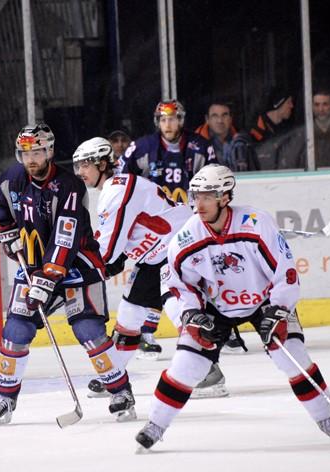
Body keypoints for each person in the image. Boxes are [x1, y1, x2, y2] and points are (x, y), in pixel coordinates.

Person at [135, 164, 330, 449]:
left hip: (264, 302)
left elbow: (285, 272)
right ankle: (156, 424)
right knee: (188, 367)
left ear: (225, 197)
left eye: (207, 196)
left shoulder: (257, 224)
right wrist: (188, 315)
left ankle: (326, 416)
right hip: (215, 308)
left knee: (291, 356)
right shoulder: (187, 237)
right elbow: (173, 283)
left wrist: (279, 309)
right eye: (195, 195)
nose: (198, 203)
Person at [0, 124, 127, 425]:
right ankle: (5, 399)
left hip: (78, 267)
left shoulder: (68, 186)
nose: (31, 159)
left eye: (36, 152)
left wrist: (47, 280)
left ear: (49, 151)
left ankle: (120, 392)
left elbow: (66, 237)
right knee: (16, 331)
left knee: (88, 330)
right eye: (25, 153)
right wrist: (7, 232)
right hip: (34, 267)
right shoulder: (12, 178)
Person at [73, 137, 229, 402]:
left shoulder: (116, 190)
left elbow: (108, 249)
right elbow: (118, 243)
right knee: (130, 311)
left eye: (85, 165)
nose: (80, 172)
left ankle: (207, 370)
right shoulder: (116, 188)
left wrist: (86, 270)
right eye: (77, 166)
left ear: (101, 163)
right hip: (157, 254)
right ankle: (113, 372)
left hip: (178, 245)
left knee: (176, 304)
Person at [119, 99, 216, 355]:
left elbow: (213, 181)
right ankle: (145, 332)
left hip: (189, 223)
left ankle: (220, 328)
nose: (168, 123)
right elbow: (121, 180)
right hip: (158, 227)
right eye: (163, 119)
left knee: (201, 273)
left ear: (181, 120)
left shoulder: (200, 146)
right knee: (158, 276)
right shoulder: (141, 148)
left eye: (172, 118)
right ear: (157, 122)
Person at [194, 100, 259, 172]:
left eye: (224, 115)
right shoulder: (195, 144)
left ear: (231, 118)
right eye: (215, 116)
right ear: (207, 119)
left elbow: (255, 173)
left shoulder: (243, 141)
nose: (220, 120)